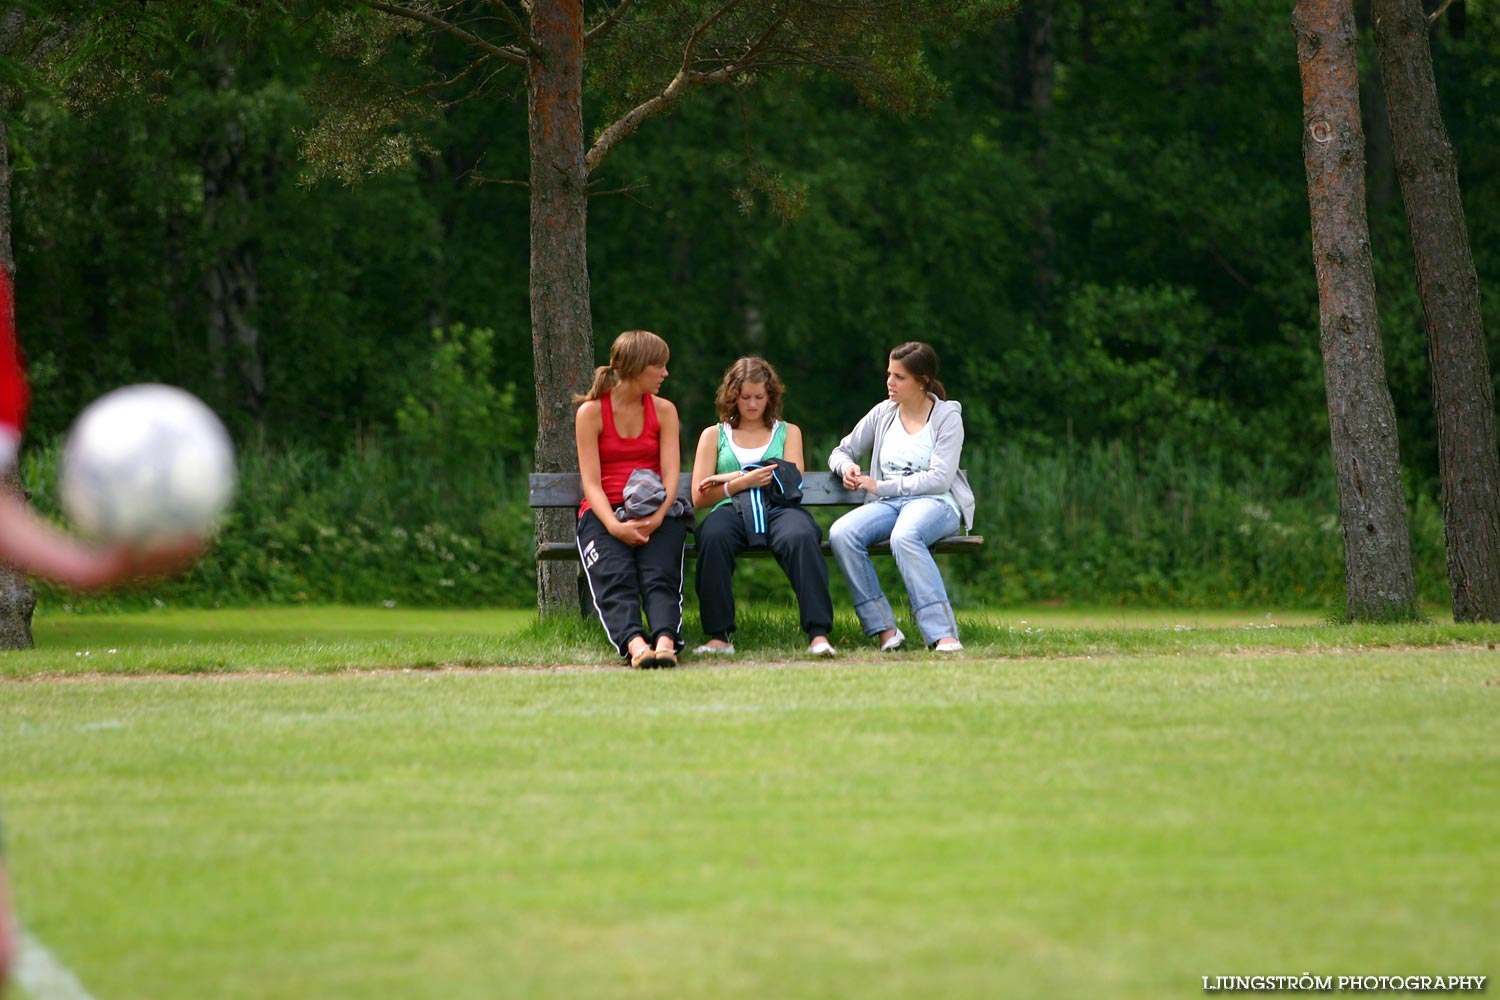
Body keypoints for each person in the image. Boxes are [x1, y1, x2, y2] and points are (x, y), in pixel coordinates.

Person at [827, 341, 975, 652]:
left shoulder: (947, 417)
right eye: (889, 374)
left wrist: (880, 487)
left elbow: (939, 479)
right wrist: (847, 467)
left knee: (905, 536)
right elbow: (841, 450)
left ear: (922, 380)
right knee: (842, 533)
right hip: (888, 504)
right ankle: (885, 630)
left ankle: (943, 634)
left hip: (936, 503)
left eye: (899, 377)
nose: (890, 383)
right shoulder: (883, 412)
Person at [690, 357, 835, 657]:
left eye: (759, 396)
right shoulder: (713, 435)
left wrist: (733, 475)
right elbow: (700, 496)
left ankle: (818, 634)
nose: (752, 404)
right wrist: (741, 484)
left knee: (801, 535)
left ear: (771, 396)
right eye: (745, 397)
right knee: (713, 536)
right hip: (731, 509)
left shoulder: (788, 432)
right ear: (733, 396)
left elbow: (790, 478)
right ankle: (719, 636)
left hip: (780, 508)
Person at [574, 329, 688, 669]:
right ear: (637, 367)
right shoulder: (591, 413)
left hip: (657, 510)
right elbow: (591, 483)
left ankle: (665, 641)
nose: (666, 374)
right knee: (615, 576)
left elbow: (671, 477)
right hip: (603, 513)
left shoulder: (665, 411)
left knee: (659, 574)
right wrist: (613, 525)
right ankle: (636, 645)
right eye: (659, 366)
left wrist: (656, 518)